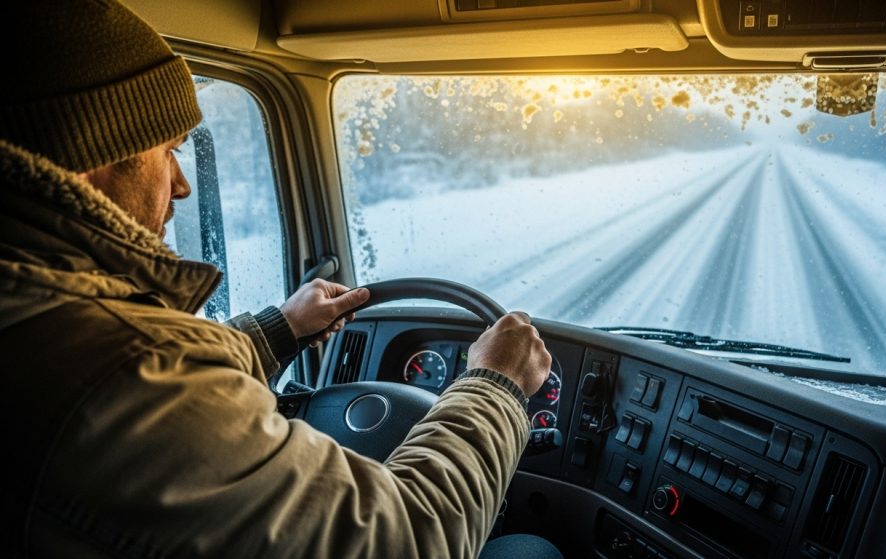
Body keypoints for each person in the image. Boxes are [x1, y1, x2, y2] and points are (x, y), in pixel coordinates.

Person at [0, 1, 560, 557]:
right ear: (92, 150)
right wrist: (496, 386)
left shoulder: (43, 322)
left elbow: (137, 376)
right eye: (168, 151)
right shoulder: (126, 371)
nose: (179, 184)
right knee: (531, 550)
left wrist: (279, 329)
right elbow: (408, 539)